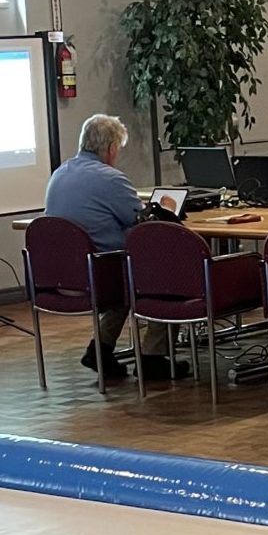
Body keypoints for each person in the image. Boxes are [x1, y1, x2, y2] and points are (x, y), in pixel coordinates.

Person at [40, 113, 178, 381]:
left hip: (66, 273)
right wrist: (168, 210)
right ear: (111, 148)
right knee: (163, 271)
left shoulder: (60, 172)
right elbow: (142, 222)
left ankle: (100, 350)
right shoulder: (110, 178)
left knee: (128, 272)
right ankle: (153, 357)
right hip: (103, 271)